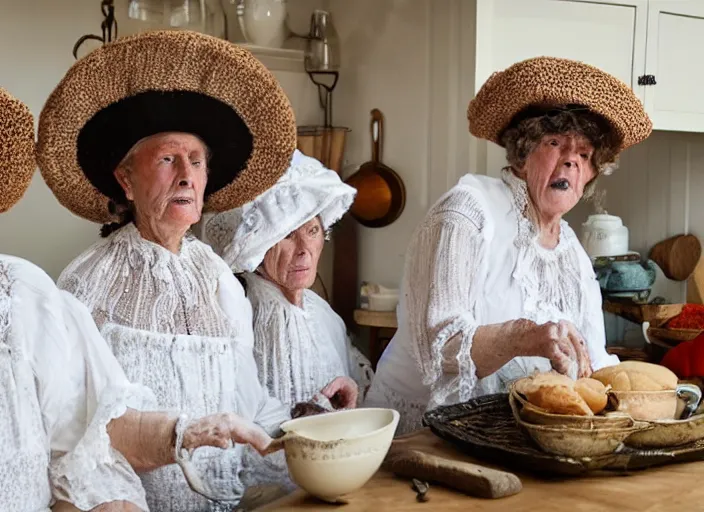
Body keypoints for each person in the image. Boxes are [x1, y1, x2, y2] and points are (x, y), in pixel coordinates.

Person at [37, 30, 356, 510]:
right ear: (125, 180)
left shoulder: (220, 280)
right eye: (168, 159)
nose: (187, 173)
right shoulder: (86, 284)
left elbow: (247, 407)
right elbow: (72, 434)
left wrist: (315, 417)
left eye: (197, 160)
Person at [364, 56, 653, 434]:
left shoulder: (575, 257)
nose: (570, 162)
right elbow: (440, 347)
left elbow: (592, 364)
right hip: (418, 438)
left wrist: (653, 397)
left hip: (505, 438)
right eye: (555, 143)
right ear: (522, 153)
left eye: (584, 155)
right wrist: (523, 337)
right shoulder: (468, 211)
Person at [207, 149, 374, 408]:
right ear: (260, 247)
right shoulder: (246, 313)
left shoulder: (322, 313)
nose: (304, 249)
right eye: (288, 235)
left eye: (312, 231)